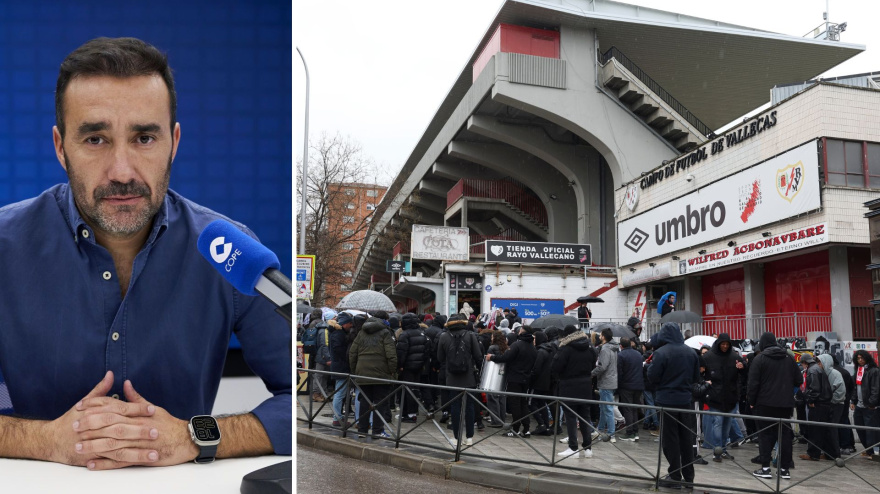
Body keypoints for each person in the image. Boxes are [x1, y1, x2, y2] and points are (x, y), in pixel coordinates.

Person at [0, 37, 291, 469]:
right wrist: (44, 440)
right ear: (61, 147)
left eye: (144, 138)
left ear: (173, 142)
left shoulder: (230, 252)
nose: (121, 171)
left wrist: (196, 436)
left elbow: (308, 397)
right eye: (96, 139)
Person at [647, 322, 701, 489]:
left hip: (667, 401)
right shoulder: (691, 353)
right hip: (685, 401)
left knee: (670, 440)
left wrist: (649, 368)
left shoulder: (661, 353)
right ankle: (689, 477)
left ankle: (675, 475)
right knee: (686, 439)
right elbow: (695, 378)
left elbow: (653, 377)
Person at [747, 332, 801, 480]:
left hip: (764, 403)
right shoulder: (788, 358)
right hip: (785, 404)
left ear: (763, 344)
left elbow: (753, 384)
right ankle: (784, 470)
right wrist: (788, 391)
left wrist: (751, 401)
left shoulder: (760, 359)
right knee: (784, 436)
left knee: (765, 435)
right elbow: (799, 379)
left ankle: (765, 468)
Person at [552, 325, 597, 459]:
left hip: (569, 385)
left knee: (571, 417)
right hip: (586, 385)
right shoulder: (590, 348)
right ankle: (588, 448)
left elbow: (555, 367)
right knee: (585, 417)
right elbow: (593, 364)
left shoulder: (565, 348)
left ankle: (573, 448)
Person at [438, 314, 482, 446]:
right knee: (469, 407)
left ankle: (457, 438)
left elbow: (440, 357)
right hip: (468, 377)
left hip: (451, 378)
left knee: (455, 407)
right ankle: (469, 438)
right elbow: (478, 356)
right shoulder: (470, 335)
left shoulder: (444, 336)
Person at [350, 317, 397, 439]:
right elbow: (391, 354)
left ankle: (362, 430)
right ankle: (377, 431)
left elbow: (352, 353)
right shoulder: (385, 333)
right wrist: (392, 371)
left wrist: (355, 370)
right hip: (381, 374)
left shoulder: (361, 333)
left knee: (365, 401)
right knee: (380, 403)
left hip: (362, 371)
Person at [486, 325, 537, 438]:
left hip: (515, 378)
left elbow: (505, 358)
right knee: (523, 403)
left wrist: (492, 357)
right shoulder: (533, 347)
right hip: (526, 379)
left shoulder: (517, 345)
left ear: (522, 332)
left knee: (515, 404)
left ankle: (515, 429)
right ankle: (526, 429)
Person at [703, 333, 746, 462]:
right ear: (719, 344)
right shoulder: (708, 357)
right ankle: (717, 450)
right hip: (715, 398)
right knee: (718, 424)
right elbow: (701, 372)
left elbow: (744, 372)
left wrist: (742, 367)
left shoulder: (734, 357)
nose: (725, 346)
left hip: (730, 398)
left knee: (726, 426)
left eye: (727, 344)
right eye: (723, 344)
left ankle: (722, 449)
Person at [395, 313, 431, 423]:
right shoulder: (422, 333)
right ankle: (412, 413)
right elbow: (427, 350)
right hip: (419, 367)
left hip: (407, 367)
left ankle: (408, 414)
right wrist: (422, 363)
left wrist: (400, 366)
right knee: (414, 390)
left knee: (407, 390)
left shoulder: (405, 335)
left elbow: (401, 352)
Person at [800, 354, 833, 461]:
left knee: (814, 430)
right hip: (825, 403)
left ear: (805, 362)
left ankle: (813, 454)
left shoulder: (812, 371)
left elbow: (814, 388)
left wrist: (810, 400)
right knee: (824, 430)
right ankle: (829, 454)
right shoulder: (818, 368)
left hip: (818, 403)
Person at [851, 350, 880, 459]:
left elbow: (875, 389)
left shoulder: (874, 371)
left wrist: (872, 403)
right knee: (860, 429)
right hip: (859, 405)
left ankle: (875, 452)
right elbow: (855, 387)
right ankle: (869, 450)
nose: (860, 360)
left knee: (872, 431)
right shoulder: (858, 370)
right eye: (858, 358)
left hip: (870, 406)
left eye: (862, 358)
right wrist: (853, 401)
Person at [591, 328, 618, 442]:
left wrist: (591, 373)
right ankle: (600, 429)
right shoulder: (614, 348)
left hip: (606, 382)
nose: (599, 337)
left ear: (603, 337)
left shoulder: (605, 349)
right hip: (610, 380)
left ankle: (611, 433)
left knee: (607, 408)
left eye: (600, 335)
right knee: (603, 407)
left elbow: (602, 366)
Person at [616, 337, 644, 441]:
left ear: (621, 346)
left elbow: (620, 372)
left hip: (626, 386)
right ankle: (635, 431)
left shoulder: (621, 355)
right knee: (634, 409)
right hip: (638, 385)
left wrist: (618, 386)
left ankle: (630, 432)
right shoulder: (638, 354)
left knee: (627, 409)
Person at [329, 313, 355, 426]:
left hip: (340, 366)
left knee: (340, 392)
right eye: (350, 323)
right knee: (340, 393)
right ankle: (337, 418)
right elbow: (339, 351)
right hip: (341, 367)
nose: (351, 325)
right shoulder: (338, 335)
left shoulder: (339, 333)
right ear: (344, 324)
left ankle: (338, 417)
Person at [818, 354, 845, 459]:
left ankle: (835, 454)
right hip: (827, 404)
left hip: (836, 404)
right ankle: (828, 453)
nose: (818, 364)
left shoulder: (834, 373)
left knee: (832, 429)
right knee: (826, 429)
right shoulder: (823, 373)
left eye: (820, 362)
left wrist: (831, 400)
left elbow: (840, 391)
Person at [528, 331, 555, 435]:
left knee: (531, 403)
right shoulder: (550, 350)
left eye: (535, 338)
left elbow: (536, 369)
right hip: (546, 382)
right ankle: (546, 426)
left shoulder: (540, 351)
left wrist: (531, 378)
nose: (533, 341)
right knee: (542, 404)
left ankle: (541, 424)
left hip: (537, 382)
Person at [831, 355, 856, 455]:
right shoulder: (845, 371)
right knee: (845, 422)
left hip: (836, 401)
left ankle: (843, 445)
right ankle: (848, 445)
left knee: (839, 423)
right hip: (845, 400)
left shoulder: (833, 372)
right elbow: (851, 387)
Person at [485, 330, 509, 428]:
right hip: (503, 376)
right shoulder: (507, 348)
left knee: (492, 398)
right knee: (501, 398)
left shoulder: (492, 348)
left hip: (492, 375)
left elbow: (488, 361)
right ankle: (501, 419)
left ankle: (495, 420)